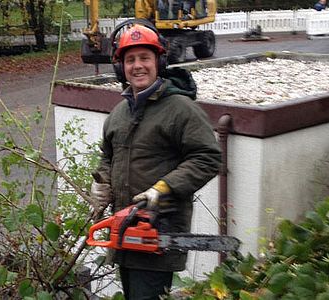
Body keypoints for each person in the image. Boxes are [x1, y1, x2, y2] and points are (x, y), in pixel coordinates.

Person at [90, 21, 221, 299]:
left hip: (158, 231)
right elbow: (107, 157)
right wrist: (102, 184)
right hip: (125, 233)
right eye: (130, 59)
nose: (137, 66)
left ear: (158, 62)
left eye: (144, 58)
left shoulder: (180, 109)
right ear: (120, 67)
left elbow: (208, 157)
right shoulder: (119, 113)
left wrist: (164, 187)